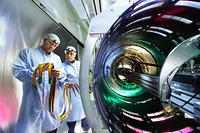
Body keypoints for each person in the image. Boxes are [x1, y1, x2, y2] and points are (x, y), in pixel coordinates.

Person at [12, 33, 66, 133]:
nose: (52, 47)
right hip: (32, 105)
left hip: (51, 107)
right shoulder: (27, 53)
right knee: (30, 129)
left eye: (55, 46)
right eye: (50, 43)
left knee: (52, 128)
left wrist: (60, 75)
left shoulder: (56, 59)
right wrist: (36, 72)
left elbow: (63, 78)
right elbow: (17, 71)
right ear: (44, 39)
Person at [63, 46, 90, 133]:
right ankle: (71, 130)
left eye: (71, 53)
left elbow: (86, 75)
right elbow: (60, 81)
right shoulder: (62, 66)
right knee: (72, 114)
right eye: (67, 53)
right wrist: (66, 84)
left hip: (82, 93)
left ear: (75, 54)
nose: (69, 55)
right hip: (71, 94)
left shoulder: (80, 64)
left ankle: (86, 129)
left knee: (85, 111)